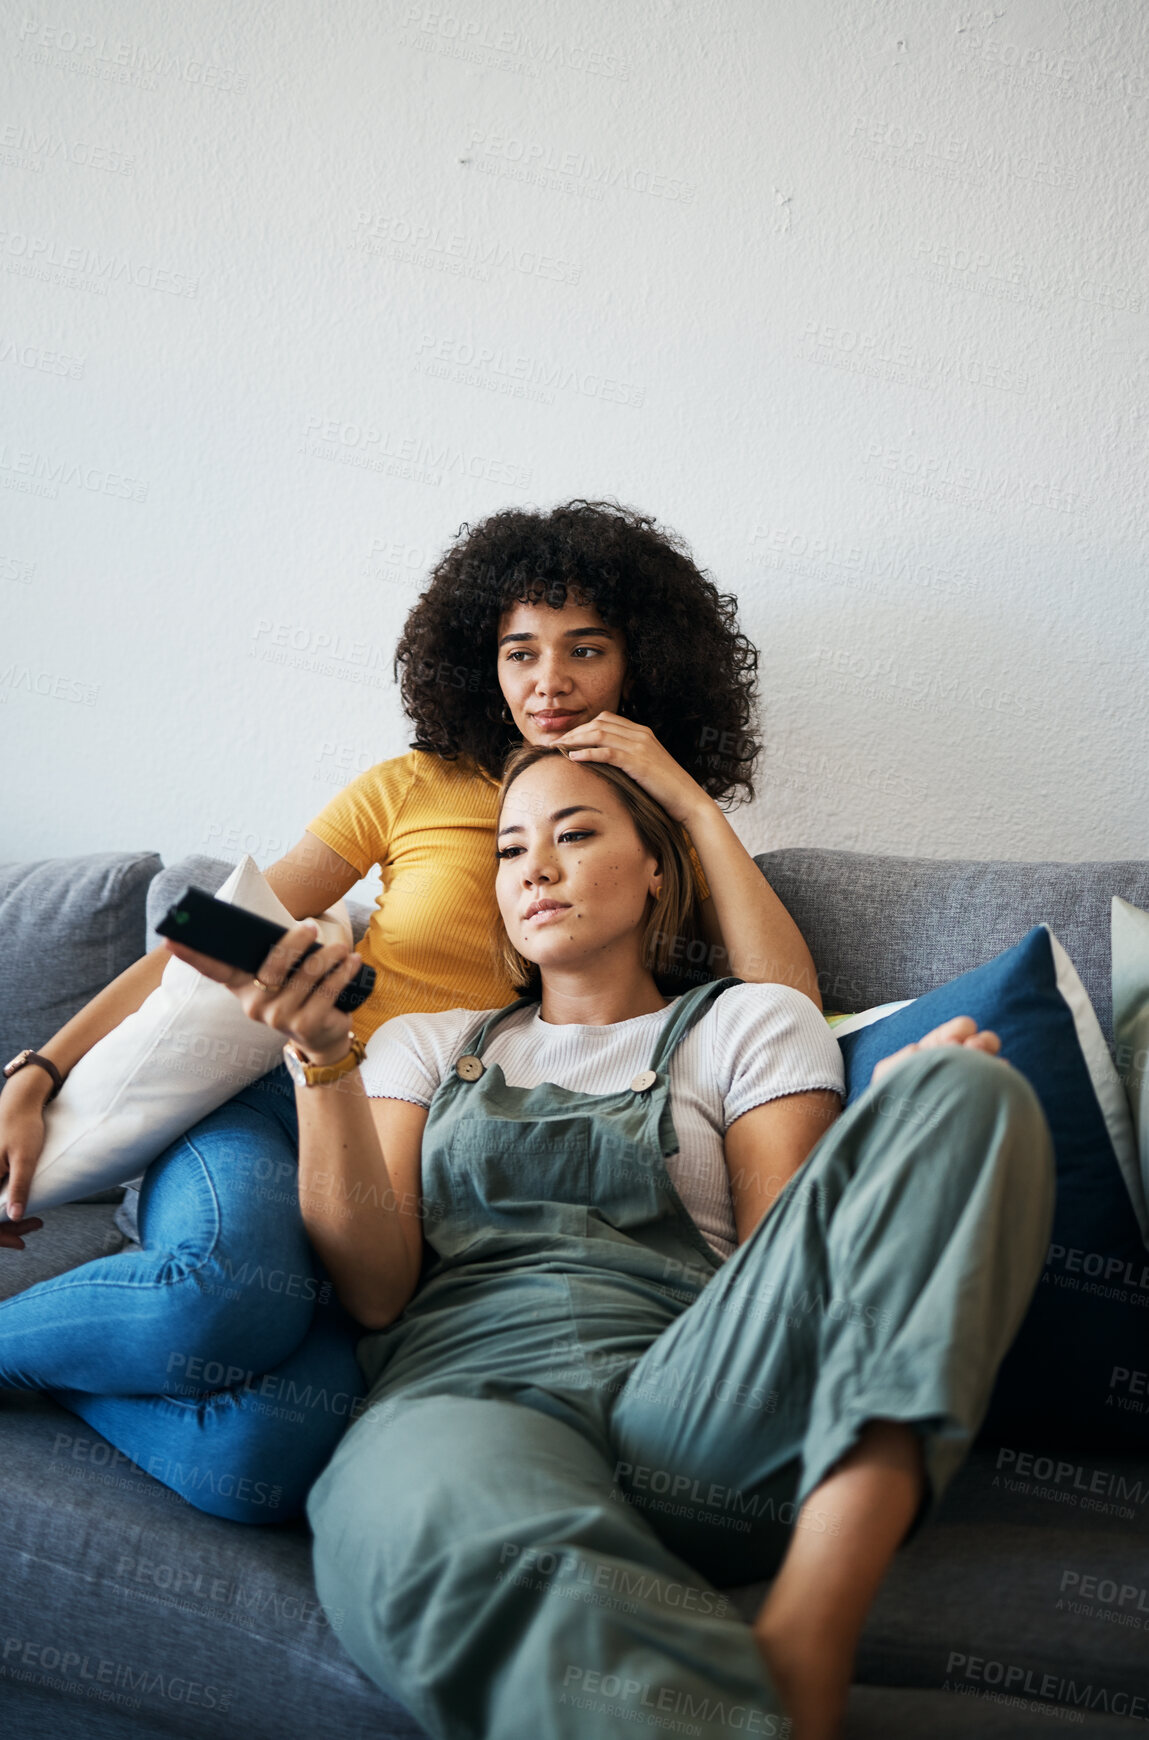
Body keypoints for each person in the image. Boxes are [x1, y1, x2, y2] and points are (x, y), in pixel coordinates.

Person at [151, 742, 1055, 1740]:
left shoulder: (751, 1022)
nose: (535, 866)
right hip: (475, 1399)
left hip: (702, 1404)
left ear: (657, 867)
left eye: (576, 835)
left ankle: (811, 1629)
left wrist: (884, 1159)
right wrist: (322, 1063)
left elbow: (787, 1275)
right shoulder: (425, 1043)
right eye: (509, 850)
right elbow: (373, 1290)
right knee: (433, 1522)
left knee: (967, 1090)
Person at [0, 499, 820, 1519]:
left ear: (642, 661)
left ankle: (48, 1375)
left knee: (272, 1458)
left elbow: (785, 1014)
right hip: (283, 1102)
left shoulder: (644, 832)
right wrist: (38, 1071)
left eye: (586, 650)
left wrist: (688, 800)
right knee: (222, 1302)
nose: (549, 682)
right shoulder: (411, 787)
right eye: (519, 652)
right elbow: (203, 943)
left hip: (423, 1180)